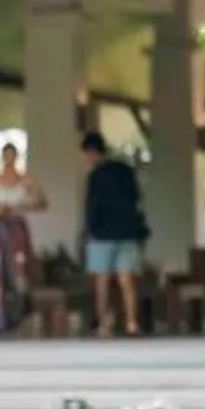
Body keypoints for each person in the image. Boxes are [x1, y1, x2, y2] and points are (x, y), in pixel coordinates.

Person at [80, 130, 147, 338]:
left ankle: (104, 324)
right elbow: (137, 198)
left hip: (102, 235)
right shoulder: (126, 171)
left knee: (102, 280)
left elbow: (92, 207)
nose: (85, 159)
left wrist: (89, 230)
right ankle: (131, 323)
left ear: (92, 152)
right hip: (127, 232)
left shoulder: (95, 176)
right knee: (127, 280)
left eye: (86, 154)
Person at [0, 141, 45, 334]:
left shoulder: (26, 179)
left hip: (17, 227)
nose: (9, 160)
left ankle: (21, 316)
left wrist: (20, 208)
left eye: (12, 156)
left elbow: (42, 202)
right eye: (6, 156)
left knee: (20, 271)